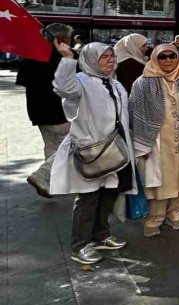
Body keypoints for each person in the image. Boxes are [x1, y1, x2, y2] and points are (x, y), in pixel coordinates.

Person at [50, 41, 136, 265]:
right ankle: (80, 245)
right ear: (90, 60)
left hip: (115, 151)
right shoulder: (81, 82)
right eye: (104, 57)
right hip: (92, 152)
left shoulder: (114, 84)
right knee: (88, 198)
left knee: (108, 193)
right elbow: (62, 88)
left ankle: (101, 235)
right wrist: (67, 59)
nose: (111, 60)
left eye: (112, 56)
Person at [129, 44, 179, 237]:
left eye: (172, 56)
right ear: (155, 59)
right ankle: (154, 219)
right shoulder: (142, 83)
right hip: (155, 142)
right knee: (157, 183)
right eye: (162, 57)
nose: (168, 60)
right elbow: (134, 114)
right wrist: (141, 144)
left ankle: (177, 215)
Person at [16, 23, 74, 198]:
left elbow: (23, 81)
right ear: (62, 39)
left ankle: (53, 183)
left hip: (39, 111)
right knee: (70, 147)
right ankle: (42, 175)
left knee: (52, 147)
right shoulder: (65, 57)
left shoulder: (31, 58)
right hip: (61, 111)